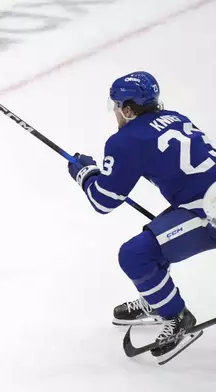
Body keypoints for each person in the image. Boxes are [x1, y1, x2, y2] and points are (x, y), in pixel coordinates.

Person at [67, 71, 216, 363]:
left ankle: (174, 316)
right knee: (154, 238)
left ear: (128, 109)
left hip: (209, 214)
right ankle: (156, 299)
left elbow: (103, 201)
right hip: (201, 203)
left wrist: (85, 174)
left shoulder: (125, 140)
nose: (115, 113)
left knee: (135, 255)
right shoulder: (176, 117)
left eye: (117, 106)